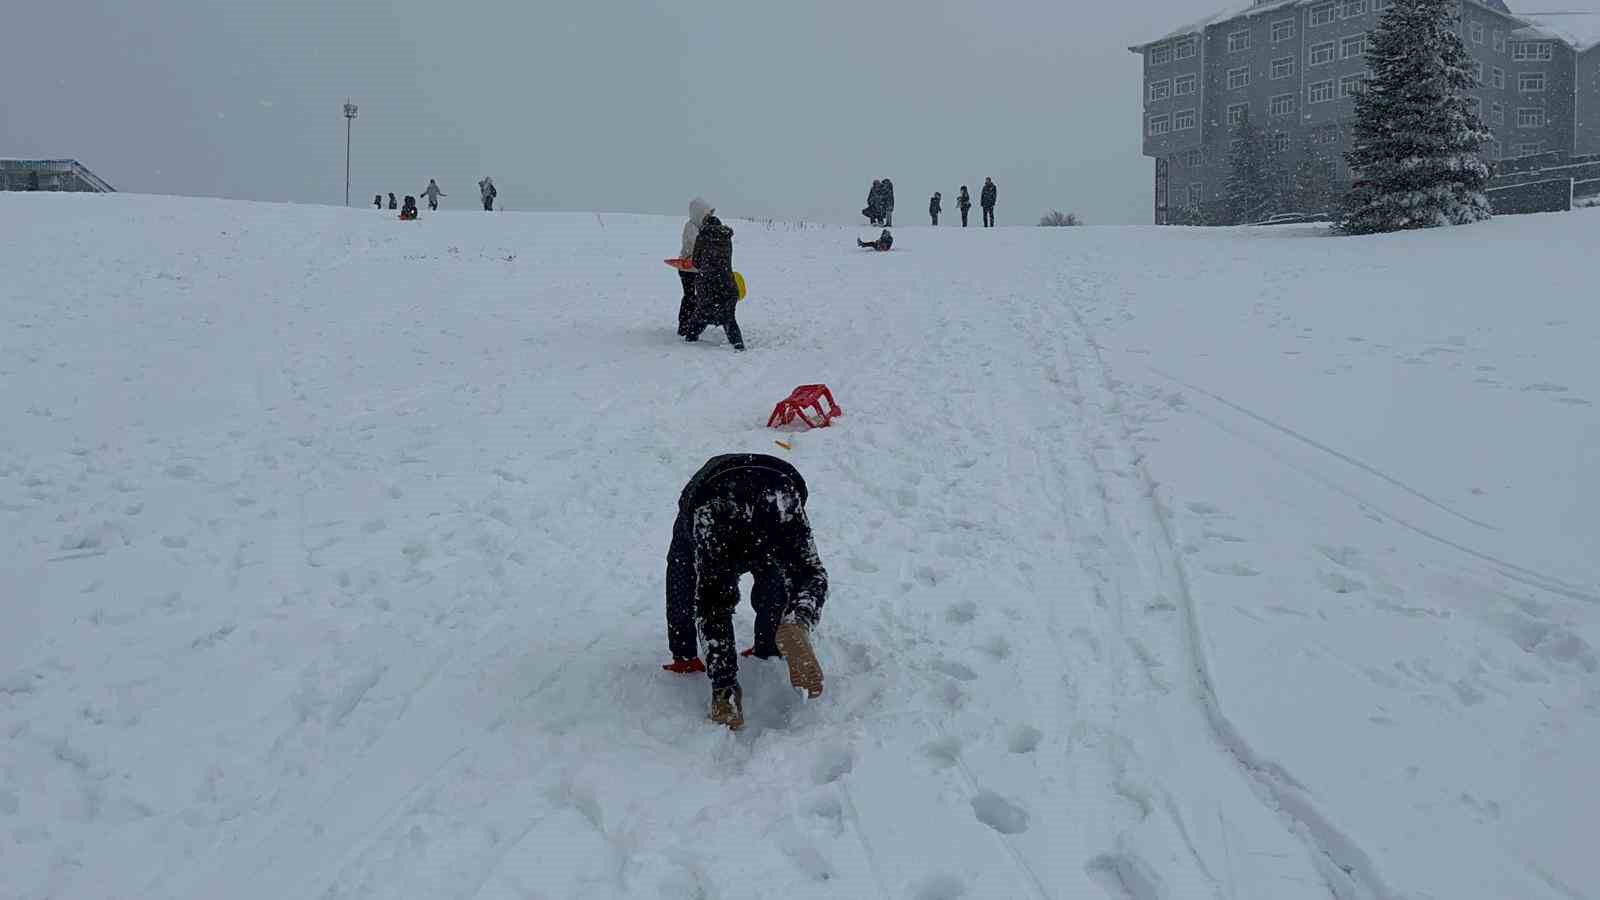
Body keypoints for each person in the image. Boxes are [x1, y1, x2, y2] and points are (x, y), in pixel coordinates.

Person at [662, 453, 829, 730]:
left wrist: (684, 652)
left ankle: (724, 690)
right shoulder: (783, 488)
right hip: (779, 490)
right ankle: (791, 625)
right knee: (799, 571)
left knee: (711, 595)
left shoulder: (700, 499)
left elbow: (680, 579)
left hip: (716, 501)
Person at [684, 207, 744, 350]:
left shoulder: (702, 237)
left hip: (707, 284)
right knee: (729, 317)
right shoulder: (726, 238)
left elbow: (696, 262)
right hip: (727, 284)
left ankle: (689, 339)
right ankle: (738, 344)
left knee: (701, 314)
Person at [677, 198, 712, 337]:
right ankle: (684, 325)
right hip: (687, 270)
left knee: (697, 298)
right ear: (698, 213)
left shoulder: (700, 227)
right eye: (706, 214)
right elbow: (696, 247)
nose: (708, 217)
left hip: (697, 269)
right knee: (690, 297)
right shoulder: (690, 227)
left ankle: (692, 324)